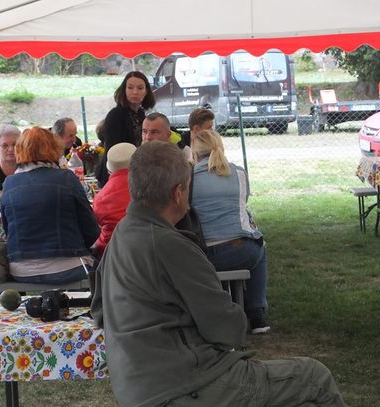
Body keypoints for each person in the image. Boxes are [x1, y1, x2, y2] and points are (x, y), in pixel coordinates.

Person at [91, 141, 347, 407]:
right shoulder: (170, 245)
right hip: (186, 385)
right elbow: (226, 328)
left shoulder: (120, 236)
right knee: (315, 377)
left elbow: (99, 311)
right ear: (178, 193)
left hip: (138, 389)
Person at [190, 129, 269, 333]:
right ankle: (257, 314)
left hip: (203, 255)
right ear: (221, 148)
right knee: (260, 246)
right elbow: (242, 204)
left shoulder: (189, 178)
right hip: (241, 251)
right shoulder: (239, 173)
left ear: (194, 153)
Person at [0, 127, 99, 284]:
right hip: (69, 265)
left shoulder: (9, 183)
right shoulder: (67, 178)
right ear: (53, 148)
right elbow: (91, 230)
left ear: (20, 150)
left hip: (21, 270)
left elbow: (7, 230)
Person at [94, 71, 155, 186]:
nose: (135, 92)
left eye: (140, 88)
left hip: (133, 172)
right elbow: (114, 150)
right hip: (115, 174)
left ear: (146, 91)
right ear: (124, 90)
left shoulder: (141, 114)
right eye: (130, 88)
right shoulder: (115, 115)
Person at [92, 142, 136, 257]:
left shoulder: (100, 197)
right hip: (143, 250)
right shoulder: (148, 188)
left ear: (109, 169)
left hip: (109, 252)